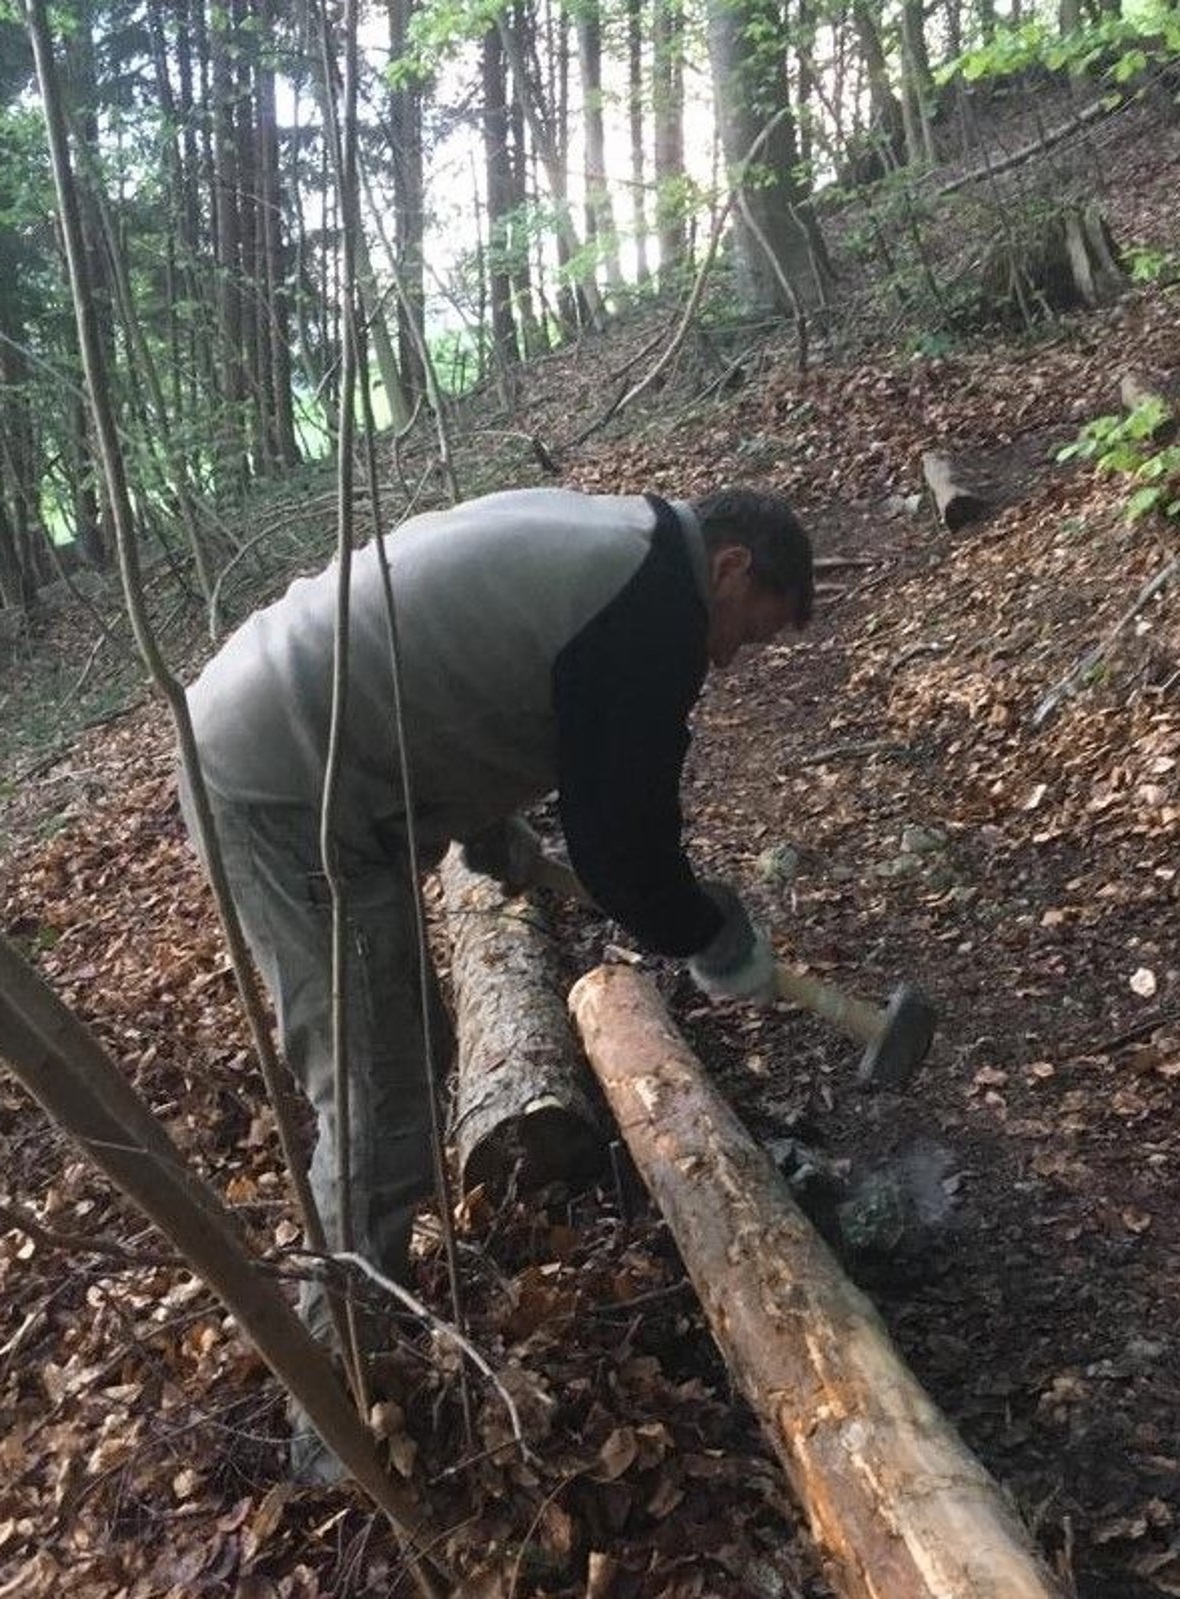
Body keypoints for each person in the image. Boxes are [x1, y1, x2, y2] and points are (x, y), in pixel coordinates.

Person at [179, 483, 813, 1475]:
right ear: (729, 568)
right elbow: (619, 846)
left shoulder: (617, 541)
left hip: (294, 748)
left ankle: (373, 1301)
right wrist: (708, 933)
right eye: (747, 630)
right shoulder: (654, 607)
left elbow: (461, 661)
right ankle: (332, 1415)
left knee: (419, 1055)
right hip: (283, 786)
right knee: (377, 1098)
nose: (728, 656)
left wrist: (488, 825)